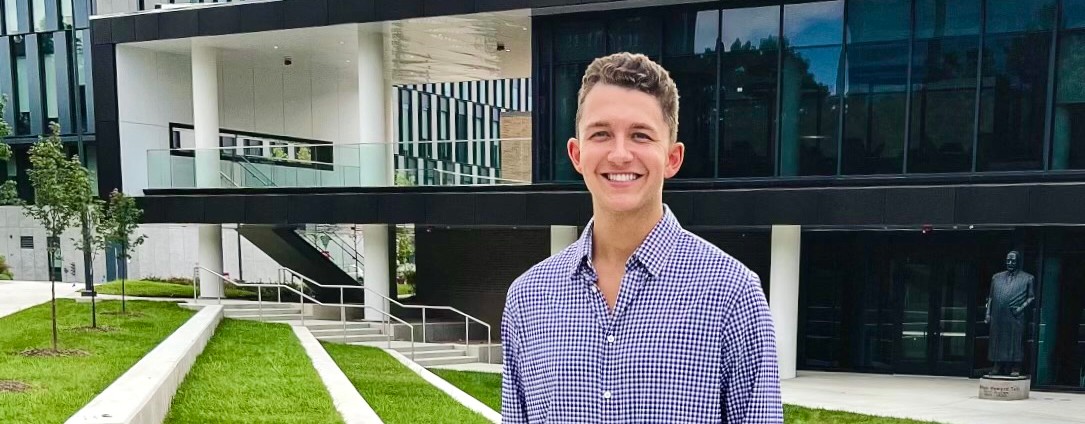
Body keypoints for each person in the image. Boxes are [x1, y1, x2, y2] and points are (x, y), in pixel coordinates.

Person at [501, 52, 782, 423]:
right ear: (577, 154)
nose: (620, 154)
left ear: (672, 157)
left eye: (640, 135)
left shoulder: (732, 295)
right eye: (601, 134)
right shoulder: (528, 299)